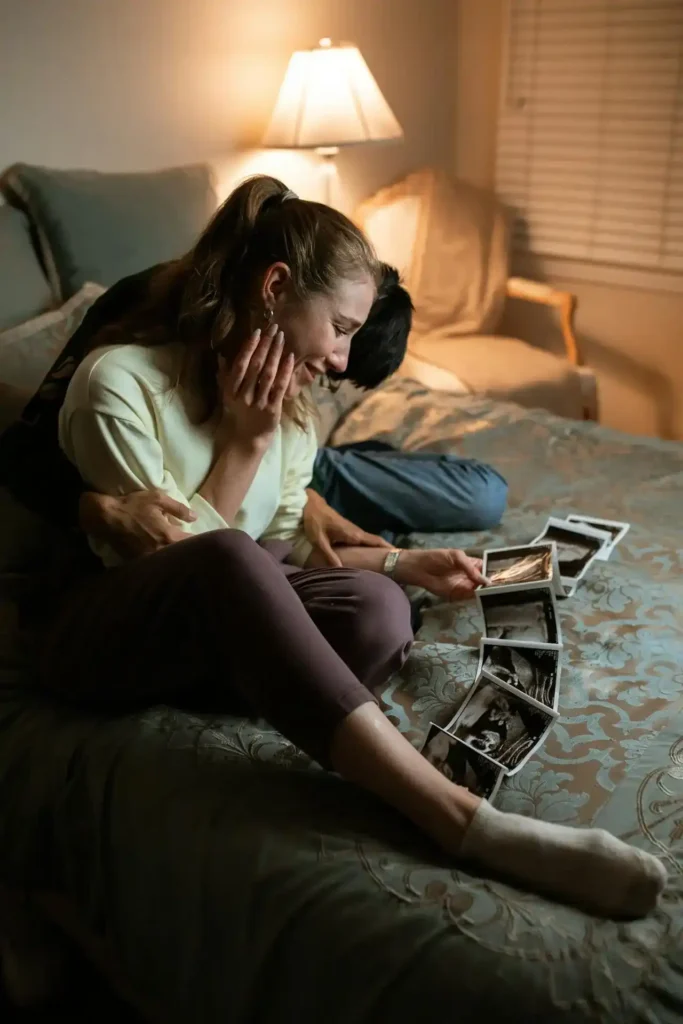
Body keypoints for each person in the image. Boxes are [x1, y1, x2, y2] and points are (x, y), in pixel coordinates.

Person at [20, 174, 663, 922]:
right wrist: (239, 446)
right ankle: (457, 820)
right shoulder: (119, 384)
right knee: (229, 562)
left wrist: (399, 563)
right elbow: (182, 565)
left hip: (216, 606)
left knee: (377, 610)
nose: (338, 362)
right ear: (274, 287)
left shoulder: (290, 413)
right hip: (108, 629)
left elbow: (285, 545)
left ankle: (284, 671)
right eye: (342, 328)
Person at [0, 262, 508, 568]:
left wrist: (299, 486)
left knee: (486, 493)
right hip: (247, 460)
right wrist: (97, 511)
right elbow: (23, 450)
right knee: (474, 499)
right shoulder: (134, 331)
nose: (331, 369)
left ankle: (336, 476)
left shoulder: (315, 326)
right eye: (323, 367)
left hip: (295, 460)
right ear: (275, 292)